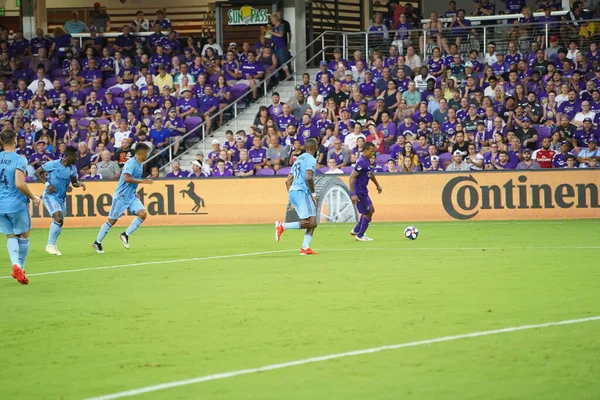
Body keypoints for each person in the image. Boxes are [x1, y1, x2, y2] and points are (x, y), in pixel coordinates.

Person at [93, 143, 153, 253]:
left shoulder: (140, 164)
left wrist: (134, 191)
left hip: (131, 196)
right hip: (121, 196)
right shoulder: (131, 163)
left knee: (142, 214)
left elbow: (131, 181)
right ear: (142, 153)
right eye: (147, 152)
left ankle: (125, 234)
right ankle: (97, 242)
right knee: (112, 220)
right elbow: (126, 178)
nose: (148, 154)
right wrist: (142, 181)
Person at [0, 129, 42, 285]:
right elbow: (19, 183)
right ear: (15, 140)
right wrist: (33, 197)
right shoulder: (20, 159)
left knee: (10, 235)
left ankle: (14, 265)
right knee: (23, 235)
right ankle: (21, 267)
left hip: (0, 205)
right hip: (16, 204)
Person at [34, 146, 85, 256]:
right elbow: (37, 173)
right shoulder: (53, 164)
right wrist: (47, 184)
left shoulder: (72, 168)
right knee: (58, 216)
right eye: (75, 156)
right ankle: (50, 245)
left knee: (60, 221)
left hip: (61, 198)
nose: (77, 158)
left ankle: (53, 244)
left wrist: (79, 184)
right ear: (69, 156)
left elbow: (74, 182)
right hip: (50, 196)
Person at [275, 139, 319, 255]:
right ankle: (283, 226)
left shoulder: (298, 159)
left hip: (293, 191)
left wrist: (293, 201)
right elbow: (309, 177)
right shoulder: (311, 159)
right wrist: (313, 194)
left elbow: (288, 181)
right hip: (302, 191)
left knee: (312, 221)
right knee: (312, 222)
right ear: (315, 148)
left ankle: (305, 247)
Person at [347, 142, 382, 242]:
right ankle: (360, 236)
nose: (373, 153)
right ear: (366, 150)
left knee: (371, 210)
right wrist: (353, 194)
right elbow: (351, 178)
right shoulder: (361, 162)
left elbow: (370, 174)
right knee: (368, 213)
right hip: (359, 192)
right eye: (371, 151)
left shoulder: (366, 160)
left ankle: (356, 230)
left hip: (364, 191)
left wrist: (377, 185)